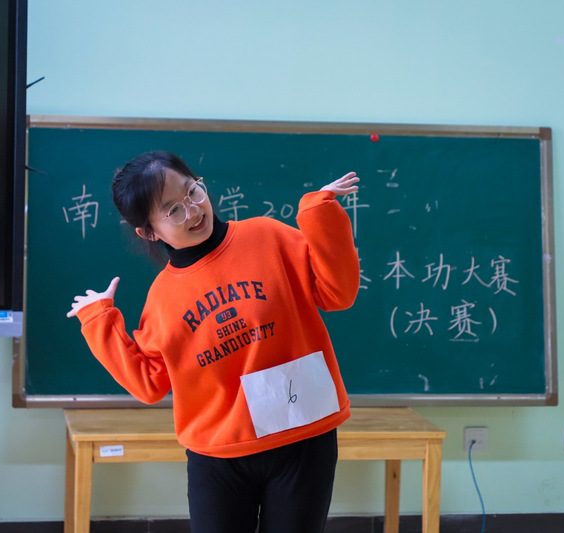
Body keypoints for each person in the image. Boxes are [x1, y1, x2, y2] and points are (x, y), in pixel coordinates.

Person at [67, 151, 360, 533]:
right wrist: (98, 321)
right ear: (148, 232)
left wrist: (320, 216)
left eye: (193, 192)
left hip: (302, 434)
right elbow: (148, 384)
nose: (193, 211)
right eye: (173, 210)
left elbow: (338, 294)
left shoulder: (267, 236)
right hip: (218, 454)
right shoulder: (162, 298)